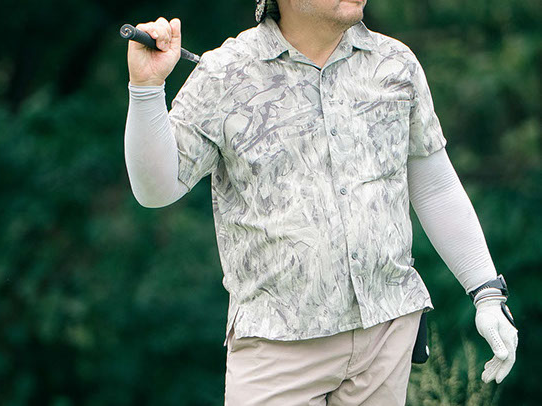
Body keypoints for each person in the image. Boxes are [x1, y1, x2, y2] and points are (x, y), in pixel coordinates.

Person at [124, 0, 518, 404]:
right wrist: (146, 88)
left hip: (387, 335)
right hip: (276, 346)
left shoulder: (396, 64)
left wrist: (487, 293)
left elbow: (434, 187)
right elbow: (156, 190)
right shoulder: (224, 72)